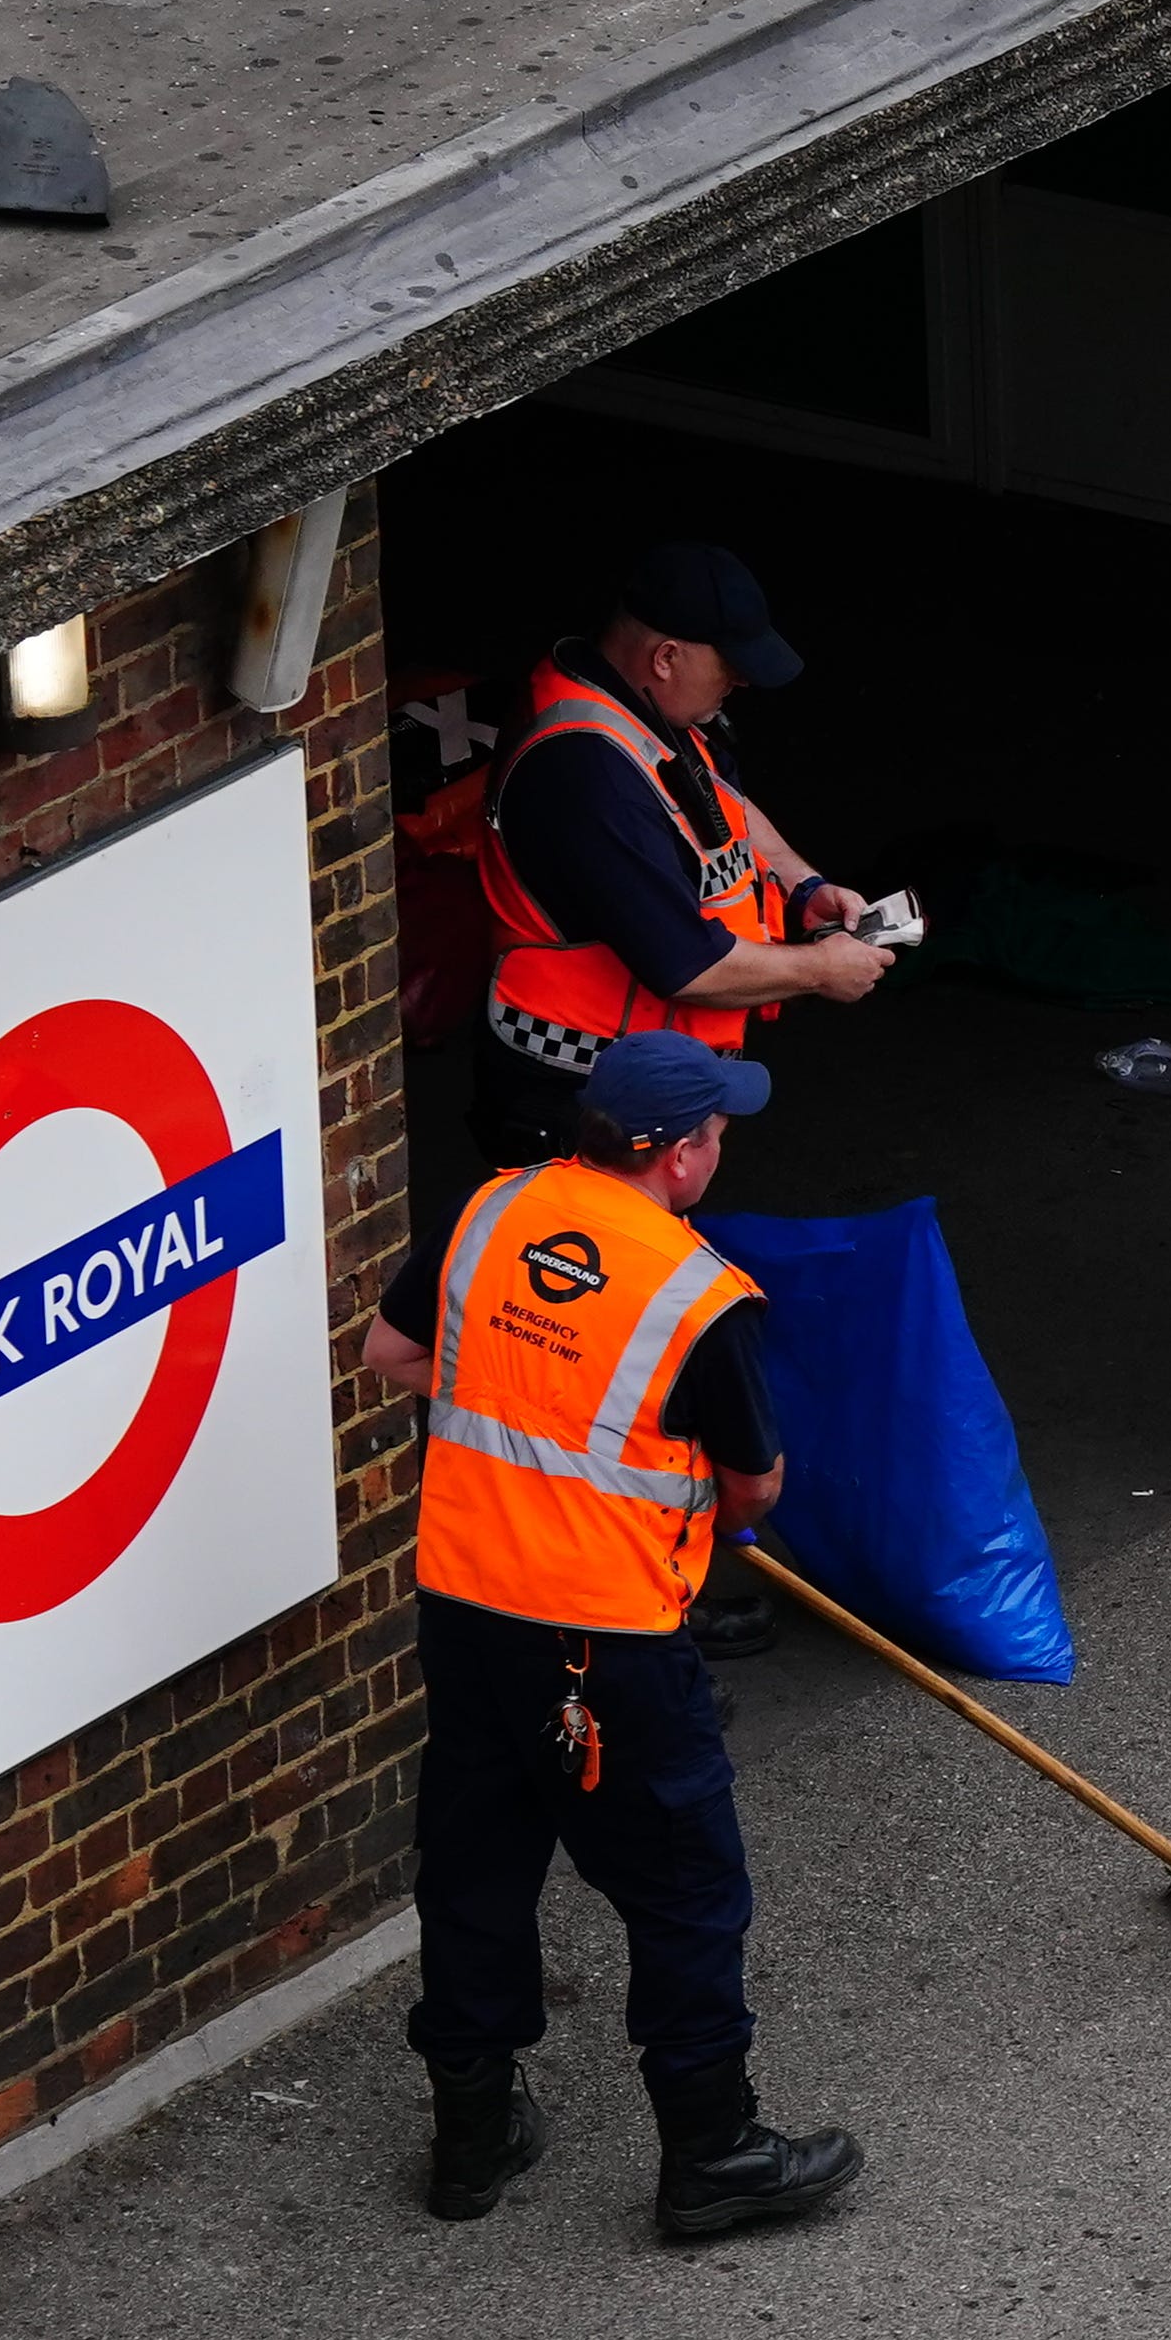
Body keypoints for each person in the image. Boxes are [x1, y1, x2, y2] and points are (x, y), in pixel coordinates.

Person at [360, 1033, 867, 2241]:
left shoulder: (494, 1211)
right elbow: (754, 1488)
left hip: (466, 1607)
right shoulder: (700, 1296)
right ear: (681, 1156)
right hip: (605, 1643)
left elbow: (393, 1356)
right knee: (689, 1892)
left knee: (477, 1866)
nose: (721, 1146)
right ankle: (712, 2151)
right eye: (718, 1131)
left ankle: (471, 2137)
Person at [474, 544, 893, 1172]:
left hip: (643, 1075)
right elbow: (688, 967)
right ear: (667, 657)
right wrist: (820, 968)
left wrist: (804, 887)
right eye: (730, 667)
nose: (743, 682)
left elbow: (724, 805)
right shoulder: (586, 777)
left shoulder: (638, 703)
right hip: (582, 1099)